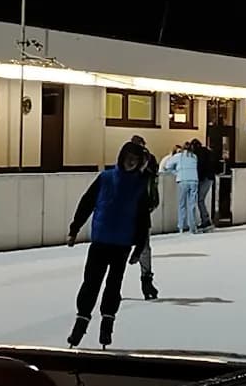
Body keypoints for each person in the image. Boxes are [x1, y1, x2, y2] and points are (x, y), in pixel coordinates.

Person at [66, 141, 151, 349]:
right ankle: (82, 319)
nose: (130, 162)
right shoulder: (105, 178)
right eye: (128, 157)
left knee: (114, 285)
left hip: (121, 245)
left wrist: (139, 248)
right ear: (121, 157)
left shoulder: (140, 185)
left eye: (135, 159)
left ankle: (107, 321)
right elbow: (86, 203)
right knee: (91, 283)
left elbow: (143, 219)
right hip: (101, 241)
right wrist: (74, 228)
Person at [127, 136, 161, 300]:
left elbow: (153, 176)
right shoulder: (127, 159)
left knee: (144, 246)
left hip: (141, 207)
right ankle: (145, 279)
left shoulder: (149, 159)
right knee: (140, 247)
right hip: (133, 208)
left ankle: (146, 280)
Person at [166, 142, 200, 234]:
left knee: (182, 205)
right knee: (192, 205)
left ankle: (181, 227)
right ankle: (192, 227)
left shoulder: (178, 156)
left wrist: (176, 172)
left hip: (182, 180)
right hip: (194, 180)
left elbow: (167, 165)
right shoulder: (194, 157)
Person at [191, 139, 217, 231]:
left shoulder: (198, 154)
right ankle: (205, 220)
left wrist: (198, 178)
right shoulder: (208, 152)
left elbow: (200, 167)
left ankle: (205, 220)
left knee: (200, 199)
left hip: (204, 178)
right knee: (201, 199)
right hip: (210, 177)